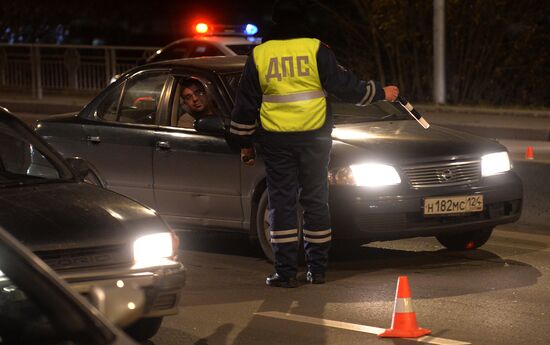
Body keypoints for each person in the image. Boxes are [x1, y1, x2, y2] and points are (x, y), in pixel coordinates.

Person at [230, 0, 399, 288]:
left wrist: (243, 143)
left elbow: (245, 105)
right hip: (314, 138)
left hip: (277, 139)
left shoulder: (260, 54)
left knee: (282, 204)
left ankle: (285, 272)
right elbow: (345, 87)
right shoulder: (316, 48)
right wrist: (381, 92)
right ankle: (317, 270)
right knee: (316, 202)